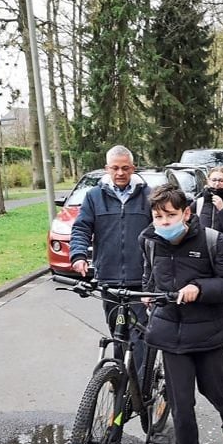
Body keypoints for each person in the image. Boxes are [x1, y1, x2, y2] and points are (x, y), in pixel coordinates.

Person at [140, 185, 223, 444]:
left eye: (171, 215)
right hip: (170, 335)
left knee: (215, 390)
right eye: (158, 216)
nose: (164, 222)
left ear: (187, 213)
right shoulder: (148, 240)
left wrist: (199, 287)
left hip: (208, 334)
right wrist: (148, 293)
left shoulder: (214, 241)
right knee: (181, 404)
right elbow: (150, 275)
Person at [70, 145, 152, 369]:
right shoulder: (94, 197)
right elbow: (81, 228)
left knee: (139, 335)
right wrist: (78, 255)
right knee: (119, 332)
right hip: (111, 283)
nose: (120, 173)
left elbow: (161, 232)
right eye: (115, 168)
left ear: (133, 168)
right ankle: (121, 380)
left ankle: (140, 390)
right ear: (107, 168)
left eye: (125, 168)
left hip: (140, 284)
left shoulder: (149, 195)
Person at [195, 166, 223, 245]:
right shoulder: (199, 203)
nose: (217, 184)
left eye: (221, 181)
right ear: (208, 181)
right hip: (203, 251)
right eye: (214, 180)